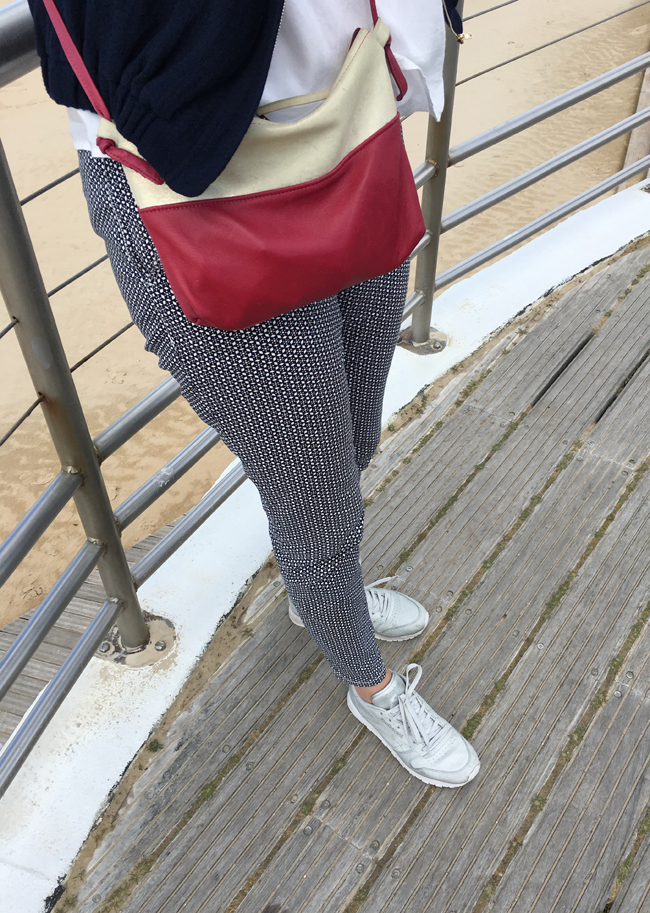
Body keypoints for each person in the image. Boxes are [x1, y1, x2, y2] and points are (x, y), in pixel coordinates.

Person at [30, 0, 479, 788]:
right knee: (313, 487)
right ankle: (369, 683)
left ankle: (323, 591)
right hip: (188, 179)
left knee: (352, 434)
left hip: (351, 118)